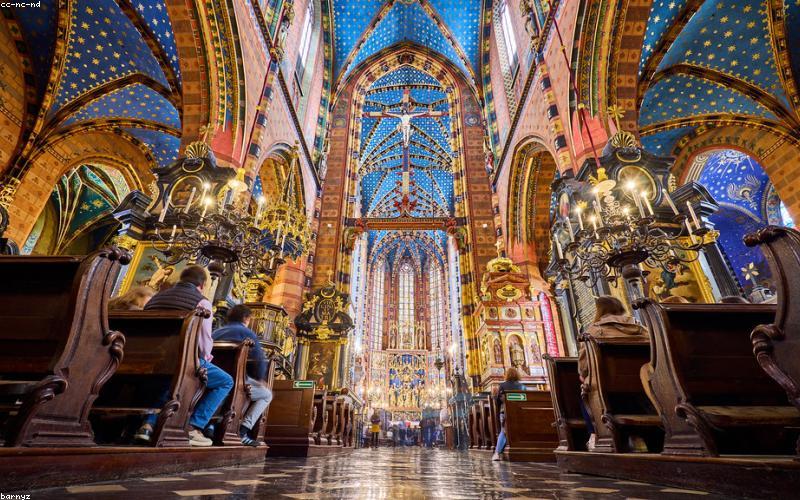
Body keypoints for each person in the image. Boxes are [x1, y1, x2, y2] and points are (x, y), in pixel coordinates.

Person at [135, 265, 233, 447]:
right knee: (225, 381)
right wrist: (204, 359)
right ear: (203, 285)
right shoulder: (202, 303)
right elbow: (204, 340)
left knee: (168, 379)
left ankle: (148, 424)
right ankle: (194, 427)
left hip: (150, 359)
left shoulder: (155, 299)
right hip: (183, 359)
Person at [579, 296, 649, 452]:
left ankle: (595, 434)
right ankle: (641, 435)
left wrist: (584, 376)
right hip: (645, 388)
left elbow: (584, 368)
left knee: (585, 390)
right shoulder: (642, 329)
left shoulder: (593, 332)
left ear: (599, 310)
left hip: (608, 390)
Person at [212, 304, 272, 446]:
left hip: (212, 379)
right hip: (236, 380)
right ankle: (243, 431)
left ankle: (211, 425)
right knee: (266, 394)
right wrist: (259, 379)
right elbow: (258, 360)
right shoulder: (247, 333)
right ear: (246, 318)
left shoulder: (216, 332)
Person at [492, 367, 524, 461]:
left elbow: (498, 401)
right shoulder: (522, 386)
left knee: (504, 431)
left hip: (505, 412)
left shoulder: (502, 385)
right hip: (520, 412)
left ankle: (497, 453)